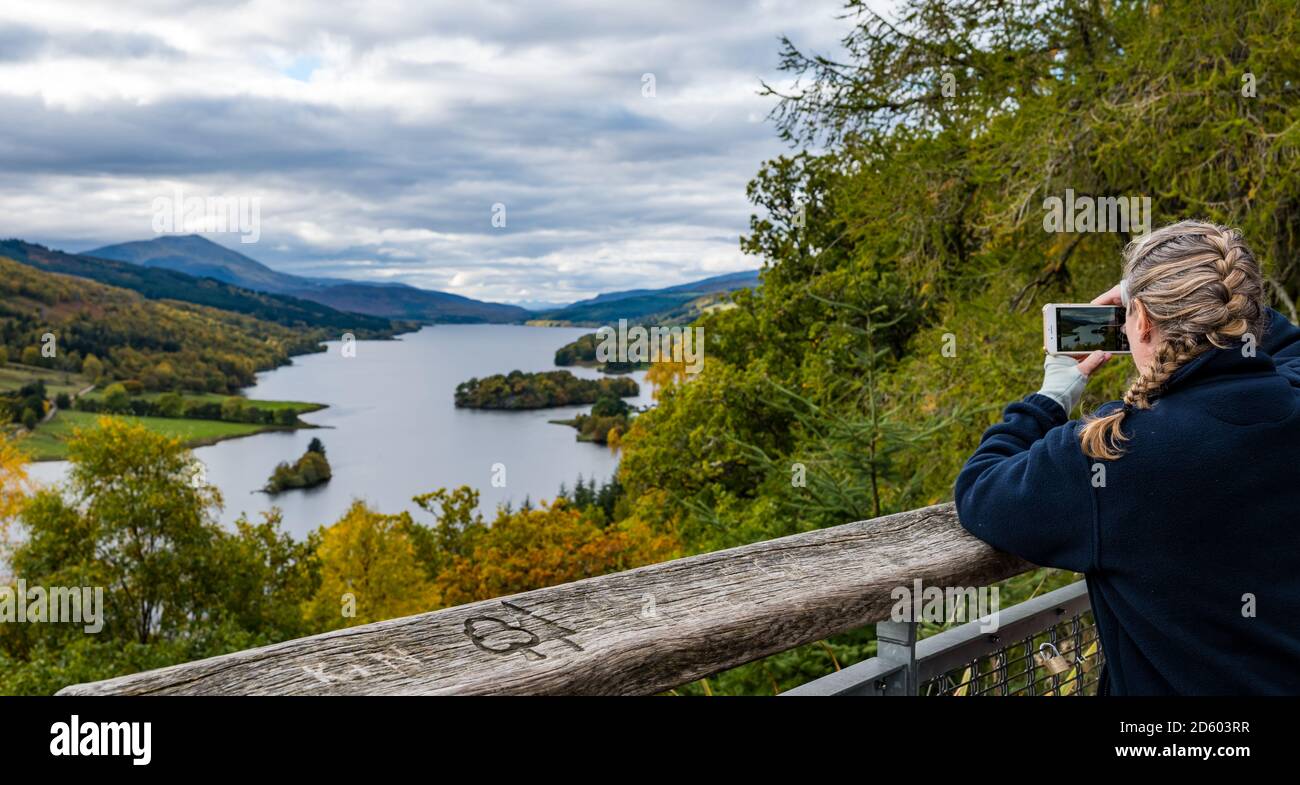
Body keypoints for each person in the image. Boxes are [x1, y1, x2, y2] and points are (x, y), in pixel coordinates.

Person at [954, 220, 1300, 695]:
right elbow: (1287, 348)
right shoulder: (1290, 402)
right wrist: (1219, 299)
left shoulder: (1112, 451)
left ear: (1139, 320)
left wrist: (1051, 397)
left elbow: (981, 490)